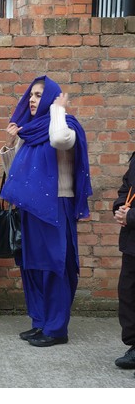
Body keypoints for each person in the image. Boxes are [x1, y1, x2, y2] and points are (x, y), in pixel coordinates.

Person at [0, 75, 92, 347]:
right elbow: (15, 174)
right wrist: (10, 144)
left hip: (55, 207)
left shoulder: (65, 125)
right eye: (30, 94)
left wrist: (58, 110)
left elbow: (60, 139)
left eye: (39, 95)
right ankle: (40, 322)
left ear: (52, 98)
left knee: (56, 267)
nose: (31, 99)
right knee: (33, 268)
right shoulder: (29, 132)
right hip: (31, 208)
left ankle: (56, 329)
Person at [112, 152, 135, 370]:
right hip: (132, 243)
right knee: (128, 293)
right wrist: (120, 208)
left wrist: (132, 216)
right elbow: (126, 189)